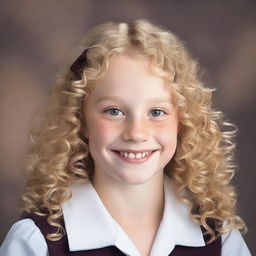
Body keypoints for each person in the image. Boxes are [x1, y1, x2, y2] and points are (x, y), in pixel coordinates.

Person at [0, 20, 251, 256]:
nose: (136, 133)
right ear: (80, 119)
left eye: (156, 112)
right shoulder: (37, 242)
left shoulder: (221, 241)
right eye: (114, 111)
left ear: (182, 122)